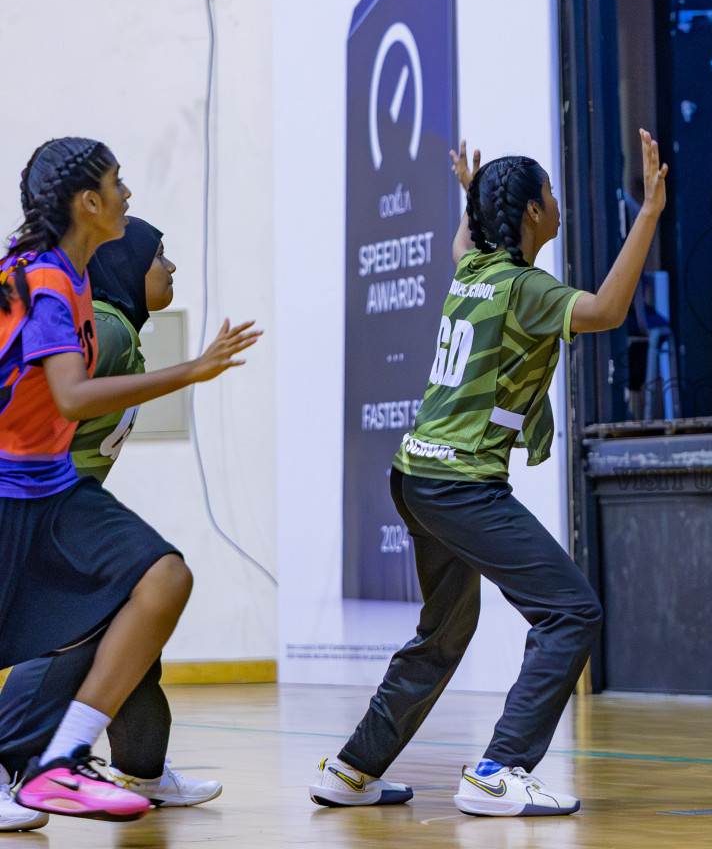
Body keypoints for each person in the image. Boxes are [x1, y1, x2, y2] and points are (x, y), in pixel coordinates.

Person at [309, 129, 669, 817]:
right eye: (551, 194)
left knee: (444, 632)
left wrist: (466, 197)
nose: (558, 203)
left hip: (416, 476)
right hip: (461, 484)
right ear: (534, 212)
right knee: (571, 611)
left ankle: (354, 769)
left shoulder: (472, 271)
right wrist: (649, 212)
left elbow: (458, 246)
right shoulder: (523, 286)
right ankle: (500, 769)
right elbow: (607, 311)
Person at [0, 138, 258, 825]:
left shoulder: (73, 279)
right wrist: (191, 370)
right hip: (17, 494)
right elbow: (73, 398)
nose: (128, 194)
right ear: (89, 202)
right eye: (118, 183)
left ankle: (70, 761)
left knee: (155, 583)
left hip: (49, 488)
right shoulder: (50, 285)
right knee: (76, 629)